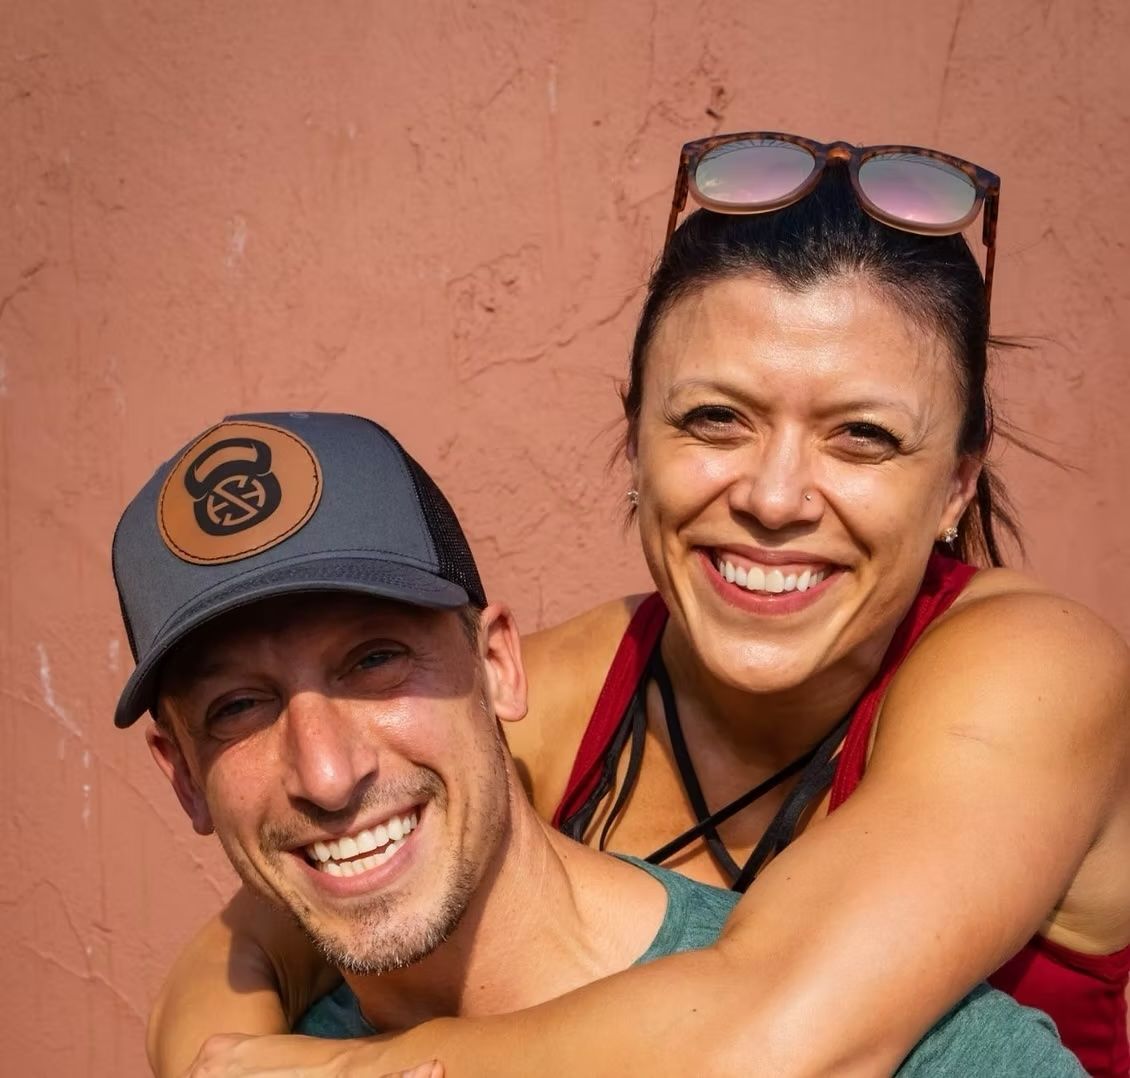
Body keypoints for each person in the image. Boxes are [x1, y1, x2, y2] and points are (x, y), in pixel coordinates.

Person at [147, 135, 1130, 1077]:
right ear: (633, 440)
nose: (773, 496)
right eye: (714, 419)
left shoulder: (1032, 667)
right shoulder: (576, 682)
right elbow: (269, 925)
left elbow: (768, 1041)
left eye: (860, 436)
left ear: (957, 483)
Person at [112, 411, 1082, 1078]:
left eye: (375, 660)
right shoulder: (262, 1044)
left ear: (500, 664)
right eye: (239, 708)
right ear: (182, 777)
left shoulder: (912, 1050)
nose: (326, 772)